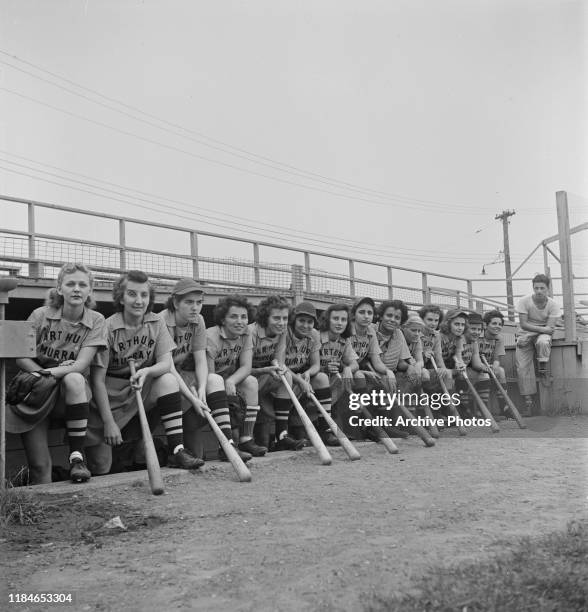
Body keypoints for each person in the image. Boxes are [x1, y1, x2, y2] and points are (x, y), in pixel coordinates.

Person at [86, 270, 203, 474]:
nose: (139, 300)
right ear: (121, 298)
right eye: (132, 294)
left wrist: (148, 370)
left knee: (167, 380)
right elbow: (97, 381)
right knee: (100, 465)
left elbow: (166, 363)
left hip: (139, 386)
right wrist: (109, 422)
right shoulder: (107, 327)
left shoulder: (155, 322)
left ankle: (177, 449)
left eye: (144, 295)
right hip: (110, 395)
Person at [6, 263, 107, 484]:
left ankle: (76, 457)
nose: (76, 289)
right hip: (35, 393)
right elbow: (21, 357)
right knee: (40, 466)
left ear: (90, 290)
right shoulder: (41, 314)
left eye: (83, 284)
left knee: (74, 378)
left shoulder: (96, 320)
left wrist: (47, 373)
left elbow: (79, 366)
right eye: (70, 284)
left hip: (67, 394)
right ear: (59, 288)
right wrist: (40, 375)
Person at [160, 278, 251, 462]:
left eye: (199, 302)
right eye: (189, 302)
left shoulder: (198, 320)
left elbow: (200, 359)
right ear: (176, 302)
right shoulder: (163, 320)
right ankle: (177, 450)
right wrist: (193, 398)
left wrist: (201, 389)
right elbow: (168, 365)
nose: (195, 307)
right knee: (169, 380)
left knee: (214, 379)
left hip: (183, 375)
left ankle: (227, 445)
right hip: (161, 375)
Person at [206, 294, 266, 456]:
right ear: (223, 320)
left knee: (251, 382)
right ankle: (226, 445)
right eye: (233, 316)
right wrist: (226, 384)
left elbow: (246, 366)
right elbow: (208, 375)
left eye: (244, 317)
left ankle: (246, 440)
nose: (240, 321)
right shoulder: (211, 337)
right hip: (205, 382)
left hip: (227, 380)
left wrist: (231, 381)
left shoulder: (246, 333)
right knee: (216, 380)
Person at [248, 295, 304, 451]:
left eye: (285, 318)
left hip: (262, 375)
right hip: (243, 378)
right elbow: (242, 369)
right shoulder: (251, 332)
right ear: (265, 318)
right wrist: (266, 370)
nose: (282, 323)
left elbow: (279, 362)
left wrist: (278, 368)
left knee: (285, 374)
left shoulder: (282, 332)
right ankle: (246, 440)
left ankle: (282, 435)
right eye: (276, 318)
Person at [515, 274, 561, 413]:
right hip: (526, 333)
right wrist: (533, 333)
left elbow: (550, 330)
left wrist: (538, 332)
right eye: (536, 288)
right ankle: (528, 403)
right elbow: (523, 324)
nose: (539, 291)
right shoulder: (524, 301)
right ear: (533, 288)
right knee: (522, 367)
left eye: (542, 288)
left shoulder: (553, 305)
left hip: (541, 334)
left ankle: (543, 369)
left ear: (548, 288)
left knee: (543, 341)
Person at [318, 303, 359, 445]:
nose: (339, 323)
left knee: (348, 379)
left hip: (330, 384)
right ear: (327, 320)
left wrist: (348, 368)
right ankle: (325, 430)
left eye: (343, 320)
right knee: (323, 378)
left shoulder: (344, 340)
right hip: (313, 381)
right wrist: (324, 369)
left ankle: (349, 428)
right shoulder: (317, 337)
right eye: (335, 318)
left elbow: (355, 364)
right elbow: (307, 365)